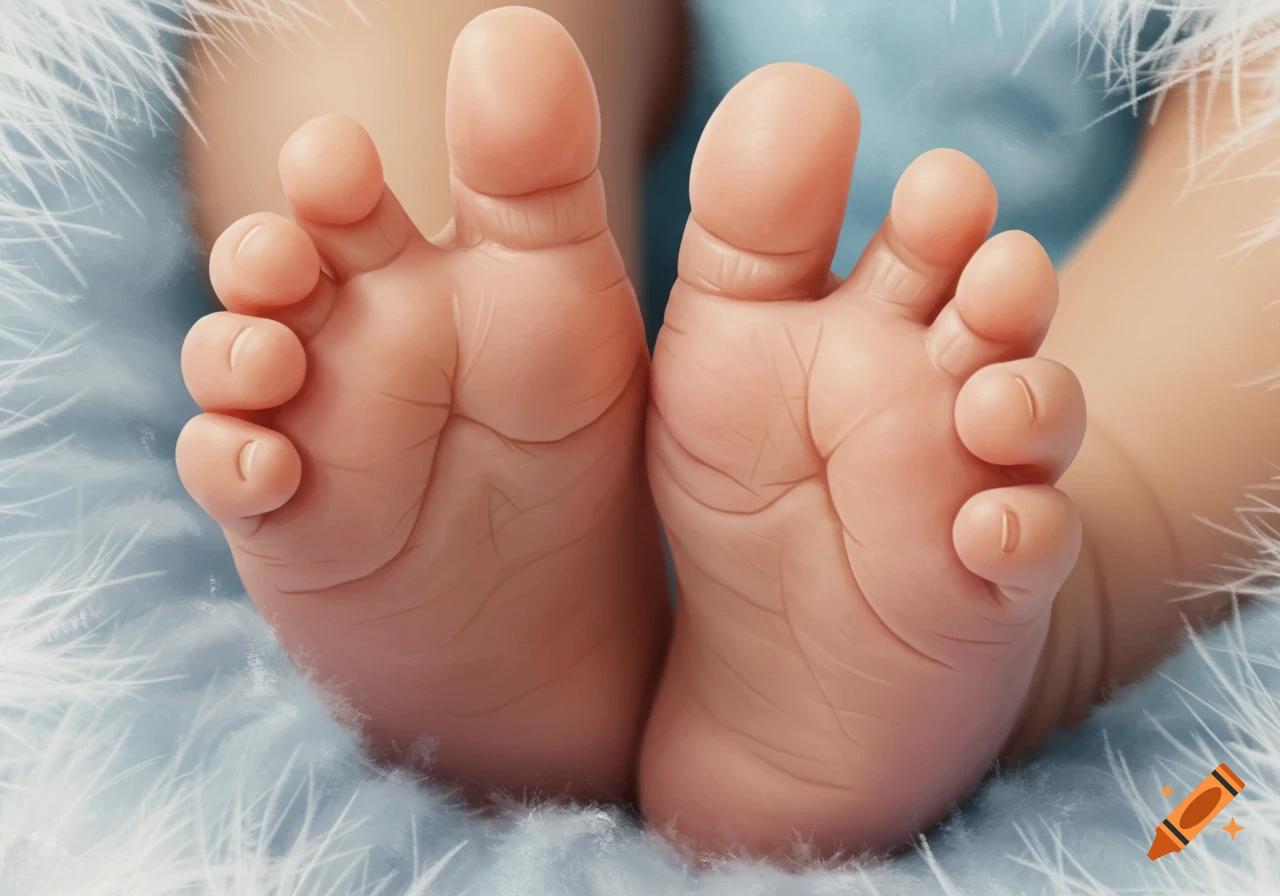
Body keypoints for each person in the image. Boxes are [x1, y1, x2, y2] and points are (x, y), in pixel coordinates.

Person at [176, 1, 1280, 859]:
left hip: (1059, 279)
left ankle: (1033, 601)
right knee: (459, 54)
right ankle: (440, 358)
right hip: (640, 236)